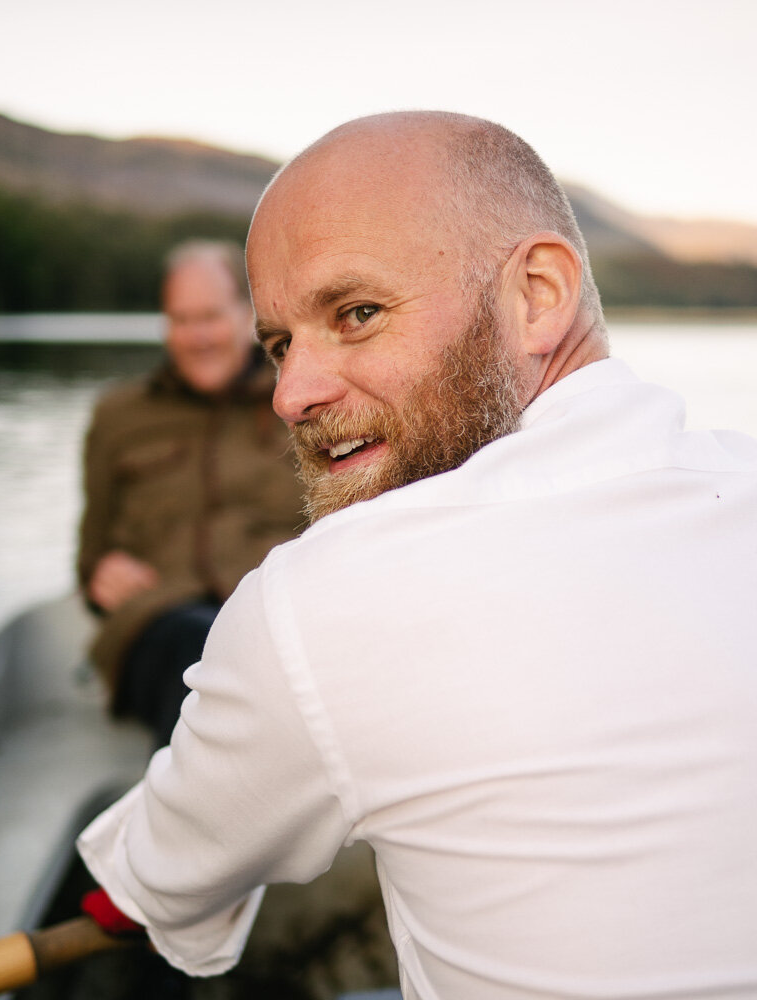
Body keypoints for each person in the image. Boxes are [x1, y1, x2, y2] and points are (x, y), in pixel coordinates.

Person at [78, 113, 757, 999]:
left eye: (356, 313)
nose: (290, 394)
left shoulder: (323, 596)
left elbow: (159, 880)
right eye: (280, 344)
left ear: (540, 293)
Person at [77, 240, 302, 746]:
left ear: (248, 314)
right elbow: (89, 559)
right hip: (160, 621)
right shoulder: (118, 417)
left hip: (278, 616)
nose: (196, 336)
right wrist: (99, 574)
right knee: (203, 653)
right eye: (180, 320)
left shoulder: (300, 401)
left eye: (210, 316)